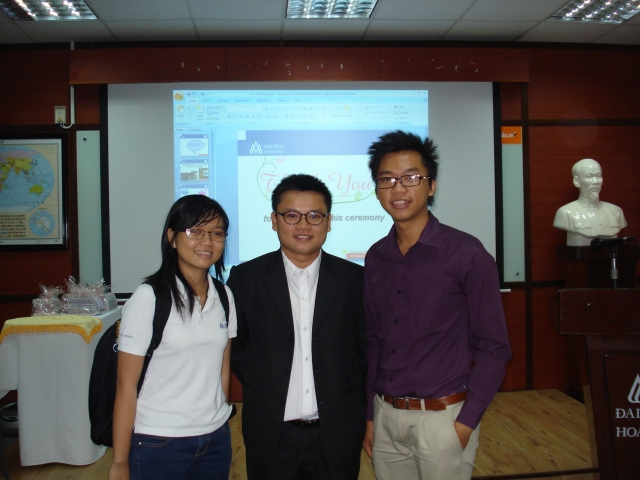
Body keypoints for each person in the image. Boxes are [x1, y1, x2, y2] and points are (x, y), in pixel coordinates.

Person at [362, 130, 511, 480]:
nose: (398, 189)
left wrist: (465, 424)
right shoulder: (376, 257)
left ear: (431, 186)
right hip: (386, 418)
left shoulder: (468, 254)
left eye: (410, 177)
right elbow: (374, 344)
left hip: (443, 421)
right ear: (377, 189)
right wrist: (370, 416)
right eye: (386, 179)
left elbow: (494, 347)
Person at [227, 174, 366, 480]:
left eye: (315, 216)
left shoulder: (355, 280)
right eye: (291, 215)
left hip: (337, 435)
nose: (303, 225)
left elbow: (364, 351)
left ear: (329, 222)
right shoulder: (246, 279)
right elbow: (235, 347)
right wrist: (265, 381)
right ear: (274, 220)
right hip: (271, 435)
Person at [108, 195, 237, 480]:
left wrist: (219, 420)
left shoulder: (224, 295)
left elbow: (222, 368)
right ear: (172, 237)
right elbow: (126, 386)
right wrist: (119, 461)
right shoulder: (149, 298)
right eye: (195, 231)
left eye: (216, 233)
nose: (207, 241)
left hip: (215, 439)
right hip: (159, 442)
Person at [553, 158, 626, 246]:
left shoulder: (616, 211)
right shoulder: (566, 212)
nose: (595, 182)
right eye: (589, 176)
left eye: (598, 176)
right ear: (577, 181)